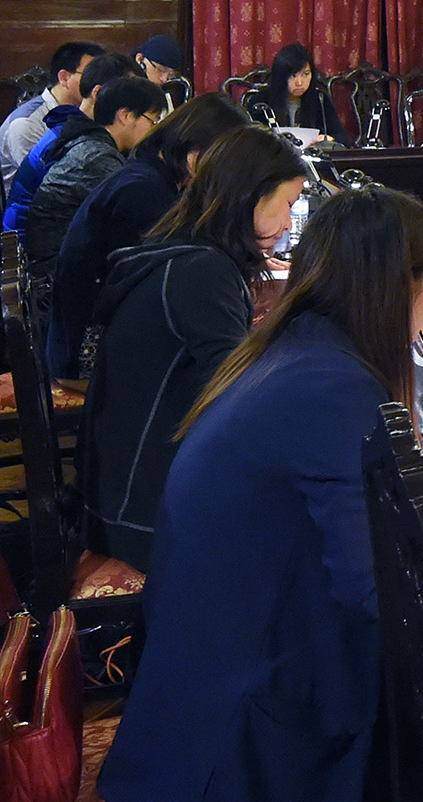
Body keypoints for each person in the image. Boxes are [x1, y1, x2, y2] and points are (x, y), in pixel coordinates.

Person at [97, 187, 423, 802]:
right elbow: (373, 595)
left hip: (199, 683)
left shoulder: (296, 349)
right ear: (398, 288)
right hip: (241, 751)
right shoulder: (335, 387)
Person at [76, 126, 308, 571]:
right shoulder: (202, 272)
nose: (287, 223)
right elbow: (239, 401)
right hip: (143, 517)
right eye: (289, 204)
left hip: (118, 498)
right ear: (250, 195)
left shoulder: (186, 249)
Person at [47, 93, 251, 382]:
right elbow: (153, 287)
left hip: (94, 331)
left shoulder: (153, 175)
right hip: (87, 353)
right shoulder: (146, 191)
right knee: (214, 375)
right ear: (196, 154)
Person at [21, 75, 164, 281]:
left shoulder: (94, 142)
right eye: (153, 121)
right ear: (125, 116)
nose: (154, 129)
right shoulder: (97, 159)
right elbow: (136, 217)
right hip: (54, 274)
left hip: (59, 264)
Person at [4, 52, 140, 230]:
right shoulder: (80, 143)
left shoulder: (77, 126)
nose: (134, 111)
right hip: (30, 238)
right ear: (98, 93)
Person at [0, 41, 102, 194]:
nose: (99, 85)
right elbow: (49, 183)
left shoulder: (86, 111)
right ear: (64, 78)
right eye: (91, 75)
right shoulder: (27, 123)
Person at [255, 41, 349, 140]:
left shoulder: (320, 99)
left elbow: (342, 138)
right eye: (293, 76)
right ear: (280, 76)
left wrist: (329, 139)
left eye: (306, 74)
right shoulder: (261, 102)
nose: (299, 83)